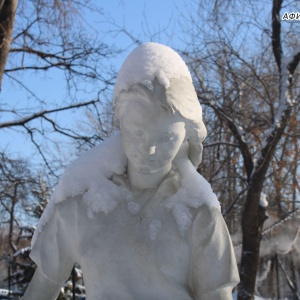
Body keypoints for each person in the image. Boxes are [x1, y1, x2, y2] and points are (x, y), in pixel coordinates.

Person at [22, 42, 239, 300]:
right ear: (121, 123)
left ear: (186, 138)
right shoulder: (81, 203)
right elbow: (41, 289)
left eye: (166, 138)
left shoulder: (198, 214)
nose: (148, 150)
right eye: (137, 131)